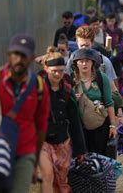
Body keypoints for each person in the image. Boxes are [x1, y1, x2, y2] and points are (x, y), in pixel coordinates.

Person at [0, 34, 50, 193]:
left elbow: (41, 126)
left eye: (23, 55)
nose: (19, 59)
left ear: (32, 58)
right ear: (8, 55)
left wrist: (35, 162)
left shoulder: (39, 88)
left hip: (23, 153)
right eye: (15, 54)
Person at [39, 47, 86, 193]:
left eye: (61, 70)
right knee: (47, 175)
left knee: (62, 181)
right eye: (54, 71)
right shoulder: (37, 90)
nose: (58, 74)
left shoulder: (66, 91)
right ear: (46, 69)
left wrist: (80, 149)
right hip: (42, 141)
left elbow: (75, 121)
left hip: (63, 141)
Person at [71, 48, 117, 158]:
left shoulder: (101, 78)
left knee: (100, 157)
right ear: (76, 64)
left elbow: (109, 103)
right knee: (82, 158)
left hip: (100, 125)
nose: (84, 64)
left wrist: (113, 125)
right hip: (79, 126)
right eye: (81, 61)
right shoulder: (71, 80)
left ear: (93, 62)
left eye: (87, 61)